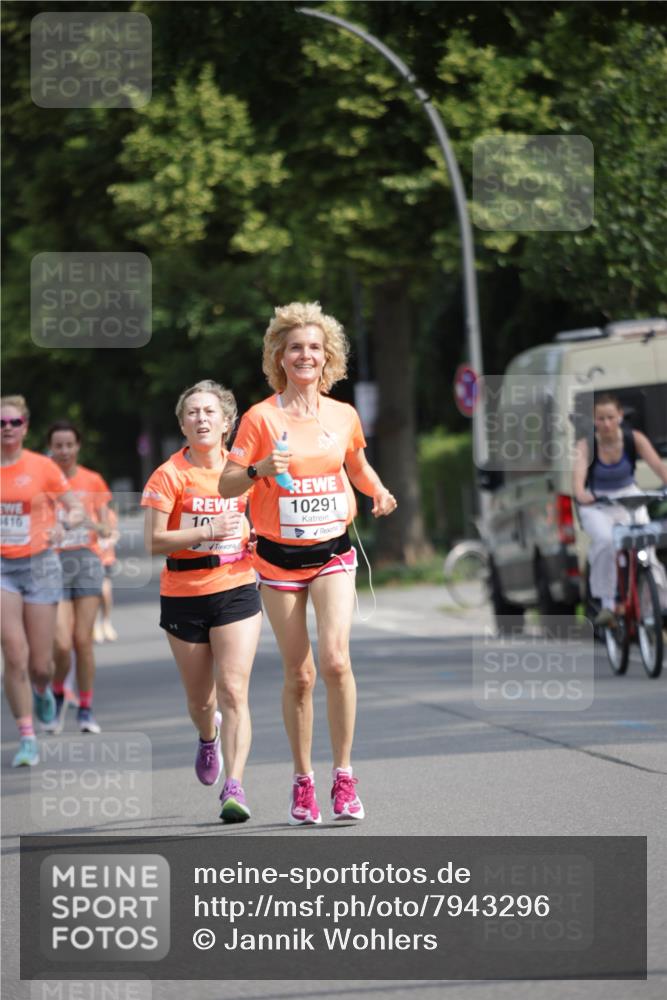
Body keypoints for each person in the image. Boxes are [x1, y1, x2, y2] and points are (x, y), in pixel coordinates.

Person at [219, 301, 397, 826]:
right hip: (277, 560)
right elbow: (228, 483)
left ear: (328, 357)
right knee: (300, 674)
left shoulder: (342, 414)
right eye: (296, 346)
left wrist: (379, 491)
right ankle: (303, 781)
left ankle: (343, 776)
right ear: (279, 355)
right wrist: (257, 469)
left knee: (336, 659)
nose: (306, 355)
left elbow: (357, 464)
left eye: (315, 347)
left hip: (333, 552)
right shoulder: (260, 418)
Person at [142, 380, 261, 822]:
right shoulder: (169, 475)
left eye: (210, 412)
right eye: (192, 413)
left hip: (235, 586)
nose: (202, 419)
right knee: (202, 701)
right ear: (182, 424)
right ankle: (207, 736)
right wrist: (206, 532)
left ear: (227, 422)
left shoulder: (244, 472)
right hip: (183, 594)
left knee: (233, 689)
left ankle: (235, 785)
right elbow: (153, 541)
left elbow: (263, 518)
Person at [0, 396, 76, 766]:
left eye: (14, 422)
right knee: (15, 653)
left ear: (25, 426)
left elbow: (74, 507)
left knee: (40, 664)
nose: (7, 429)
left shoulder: (42, 467)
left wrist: (63, 525)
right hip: (2, 568)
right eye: (2, 423)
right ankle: (27, 736)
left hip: (41, 564)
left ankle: (44, 689)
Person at [573, 393, 667, 626]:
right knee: (606, 541)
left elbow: (658, 465)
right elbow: (578, 482)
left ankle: (655, 600)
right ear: (594, 421)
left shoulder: (634, 439)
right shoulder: (586, 445)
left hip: (629, 497)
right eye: (600, 418)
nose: (606, 424)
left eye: (610, 417)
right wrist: (583, 495)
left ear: (620, 417)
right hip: (599, 504)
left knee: (647, 543)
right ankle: (607, 604)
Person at [46, 421, 112, 735]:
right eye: (58, 446)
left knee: (82, 641)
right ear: (50, 448)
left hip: (86, 561)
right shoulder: (40, 483)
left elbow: (107, 530)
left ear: (77, 447)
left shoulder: (92, 481)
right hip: (50, 564)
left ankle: (85, 708)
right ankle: (59, 694)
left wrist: (83, 521)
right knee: (60, 644)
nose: (63, 451)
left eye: (69, 445)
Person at [94, 505, 120, 643]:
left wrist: (108, 542)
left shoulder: (108, 513)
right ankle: (95, 624)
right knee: (92, 594)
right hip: (88, 559)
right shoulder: (84, 511)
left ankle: (106, 621)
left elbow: (114, 533)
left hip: (105, 559)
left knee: (105, 592)